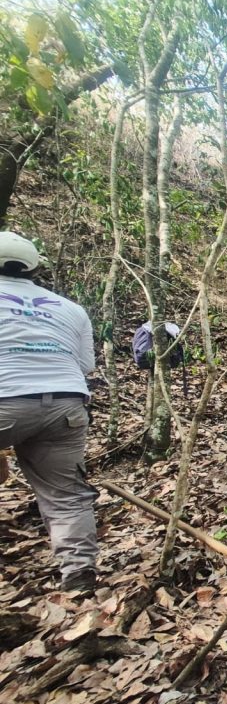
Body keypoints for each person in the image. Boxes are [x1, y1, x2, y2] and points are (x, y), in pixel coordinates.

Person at [0, 232, 99, 593]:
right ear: (33, 267)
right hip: (65, 402)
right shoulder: (70, 308)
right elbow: (86, 365)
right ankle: (78, 574)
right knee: (67, 497)